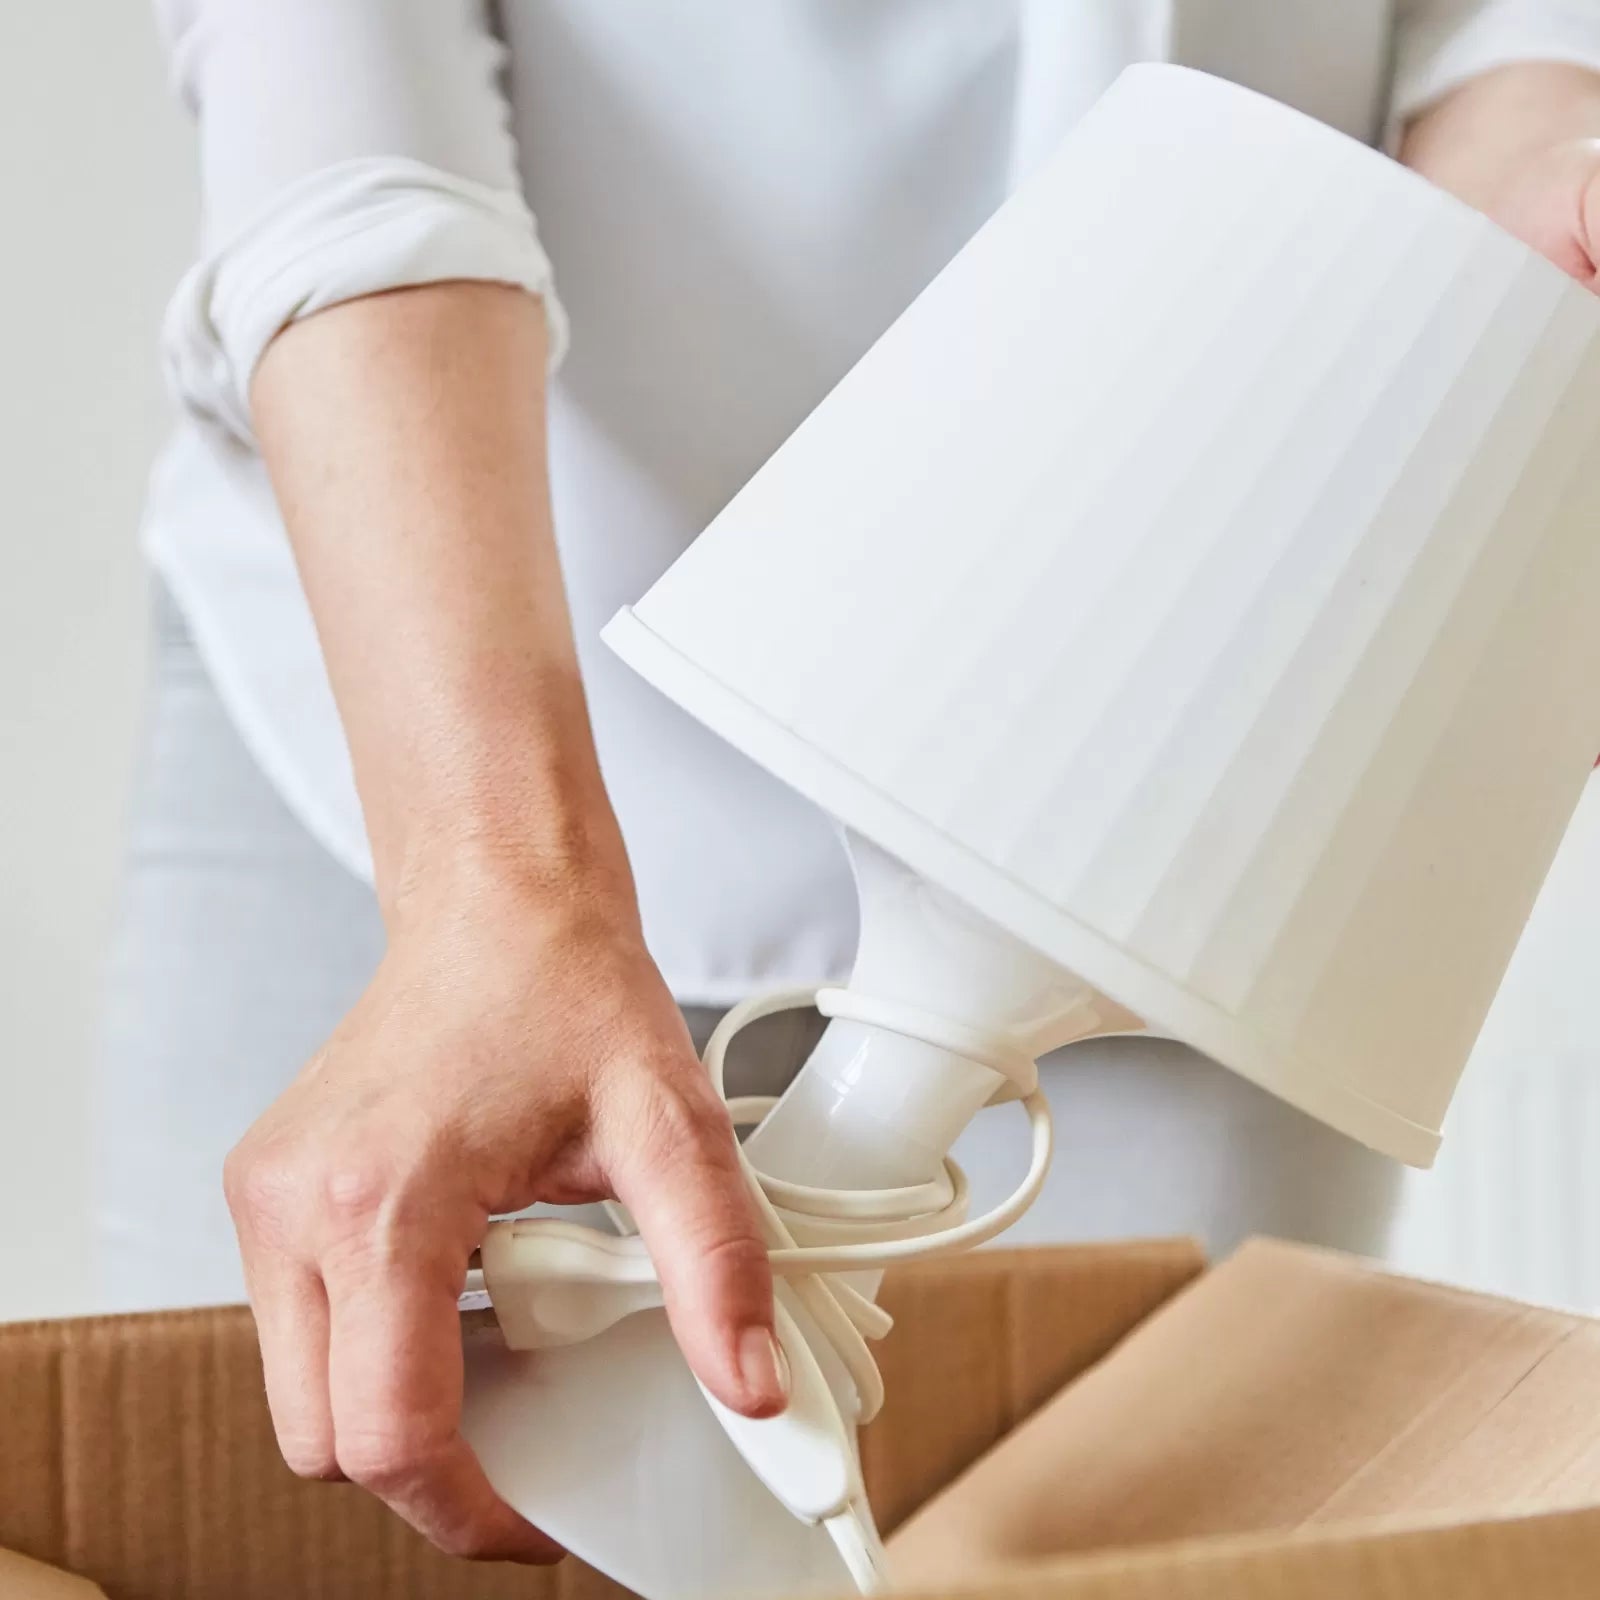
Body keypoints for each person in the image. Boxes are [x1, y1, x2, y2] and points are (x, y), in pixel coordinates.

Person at [96, 0, 1600, 1565]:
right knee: (259, 1481)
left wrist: (1520, 252)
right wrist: (489, 880)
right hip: (434, 630)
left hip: (1191, 705)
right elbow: (342, 115)